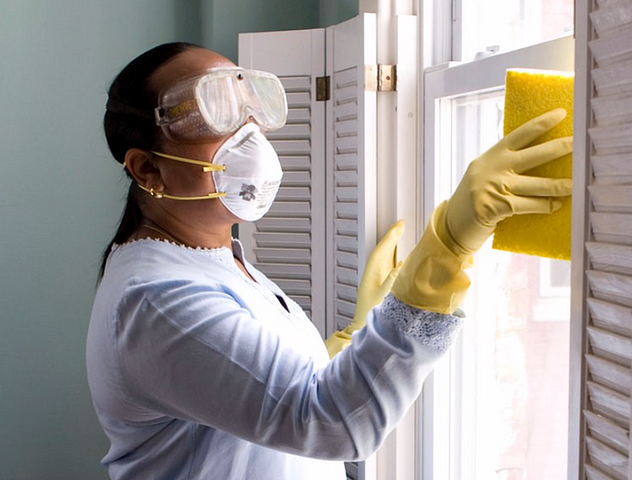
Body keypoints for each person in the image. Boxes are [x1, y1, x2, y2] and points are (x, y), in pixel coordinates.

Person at [85, 42, 574, 479]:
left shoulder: (209, 257)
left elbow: (262, 395)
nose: (249, 133)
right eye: (216, 111)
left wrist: (360, 334)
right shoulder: (156, 302)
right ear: (149, 168)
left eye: (249, 106)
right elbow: (334, 423)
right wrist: (446, 249)